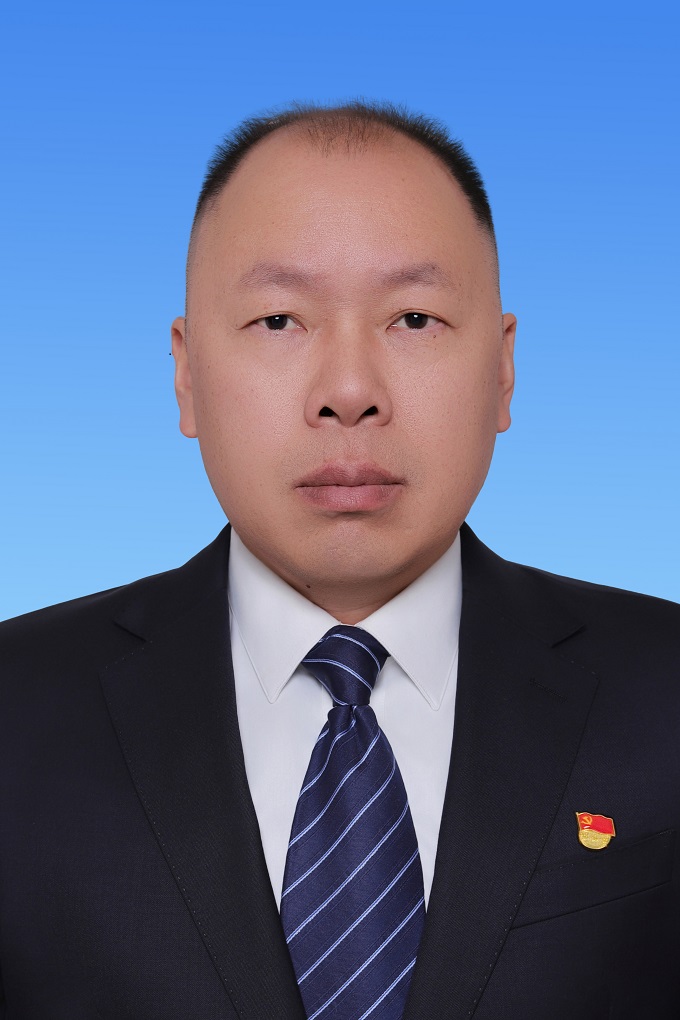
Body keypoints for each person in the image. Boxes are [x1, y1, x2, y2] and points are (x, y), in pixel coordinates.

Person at [1, 102, 678, 1020]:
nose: (350, 392)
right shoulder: (16, 709)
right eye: (279, 319)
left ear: (503, 368)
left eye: (414, 317)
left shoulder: (664, 688)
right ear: (187, 374)